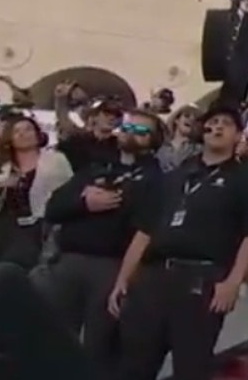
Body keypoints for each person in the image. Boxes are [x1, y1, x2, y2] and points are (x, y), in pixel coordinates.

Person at [108, 104, 248, 380]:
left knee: (190, 378)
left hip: (202, 279)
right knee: (133, 370)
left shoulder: (245, 180)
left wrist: (233, 280)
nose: (215, 127)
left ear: (238, 136)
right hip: (154, 276)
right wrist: (123, 279)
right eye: (210, 123)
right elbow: (145, 231)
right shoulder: (174, 176)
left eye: (225, 124)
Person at [39, 109, 164, 365]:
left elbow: (144, 226)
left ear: (153, 140)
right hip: (69, 260)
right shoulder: (96, 166)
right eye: (128, 127)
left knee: (98, 344)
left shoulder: (156, 180)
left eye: (141, 131)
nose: (131, 133)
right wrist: (84, 202)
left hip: (111, 264)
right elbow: (53, 208)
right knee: (50, 336)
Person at [0, 114, 73, 269]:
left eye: (28, 129)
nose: (23, 134)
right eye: (17, 131)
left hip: (35, 227)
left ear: (38, 135)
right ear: (10, 138)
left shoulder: (56, 160)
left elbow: (68, 193)